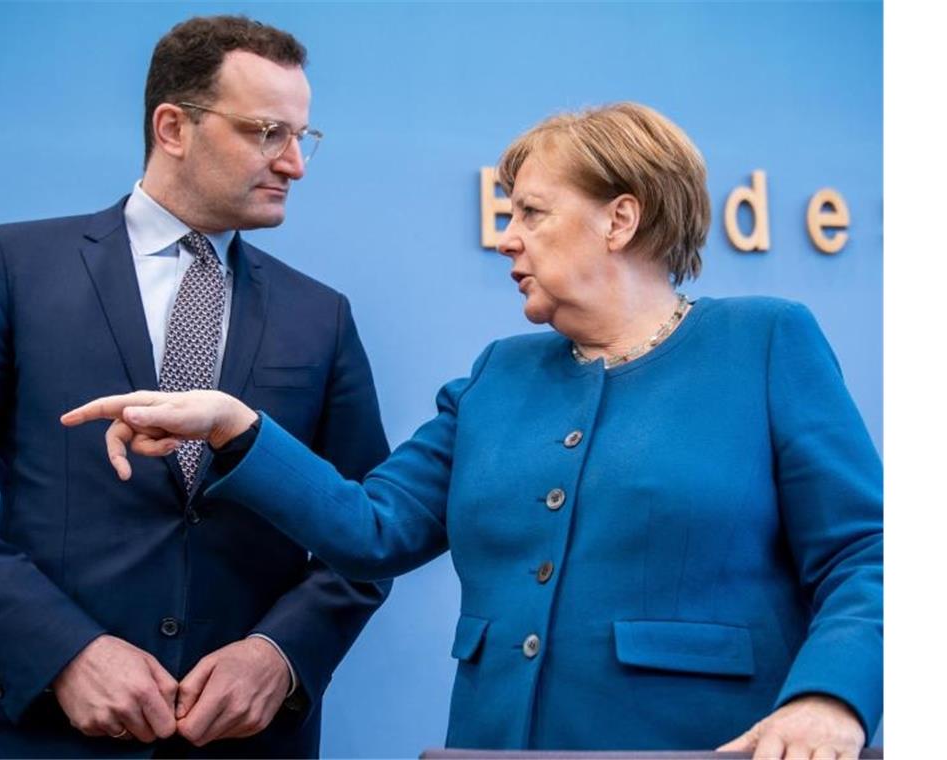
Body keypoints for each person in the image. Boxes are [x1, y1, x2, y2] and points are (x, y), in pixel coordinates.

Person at [64, 103, 883, 758]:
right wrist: (235, 425)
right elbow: (369, 529)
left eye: (530, 211)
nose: (506, 237)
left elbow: (866, 556)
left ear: (619, 219)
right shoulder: (499, 374)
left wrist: (830, 698)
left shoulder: (767, 341)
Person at [0, 15, 391, 759]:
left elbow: (369, 527)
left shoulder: (323, 316)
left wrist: (279, 654)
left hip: (250, 742)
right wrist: (62, 652)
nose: (294, 164)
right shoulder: (10, 267)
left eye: (302, 138)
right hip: (39, 736)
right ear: (173, 127)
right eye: (267, 132)